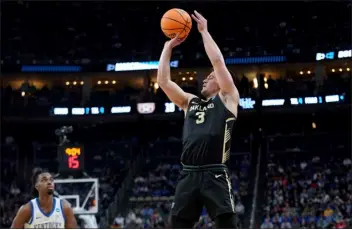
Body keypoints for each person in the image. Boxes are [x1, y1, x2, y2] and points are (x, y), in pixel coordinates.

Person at [157, 10, 240, 229]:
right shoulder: (189, 102)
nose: (205, 79)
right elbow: (164, 82)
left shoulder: (228, 98)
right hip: (189, 173)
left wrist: (204, 31)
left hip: (215, 171)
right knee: (177, 225)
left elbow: (218, 61)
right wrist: (168, 48)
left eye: (211, 77)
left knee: (228, 224)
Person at [11, 169, 77, 228]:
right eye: (44, 180)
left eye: (51, 180)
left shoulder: (65, 208)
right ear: (36, 186)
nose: (49, 182)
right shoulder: (27, 209)